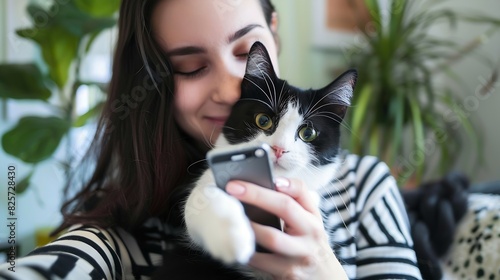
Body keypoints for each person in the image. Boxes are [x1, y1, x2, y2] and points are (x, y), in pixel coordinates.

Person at [0, 0, 423, 279]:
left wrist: (323, 270)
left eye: (245, 52)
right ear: (152, 80)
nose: (229, 88)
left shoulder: (367, 188)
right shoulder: (119, 225)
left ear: (274, 33)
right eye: (190, 66)